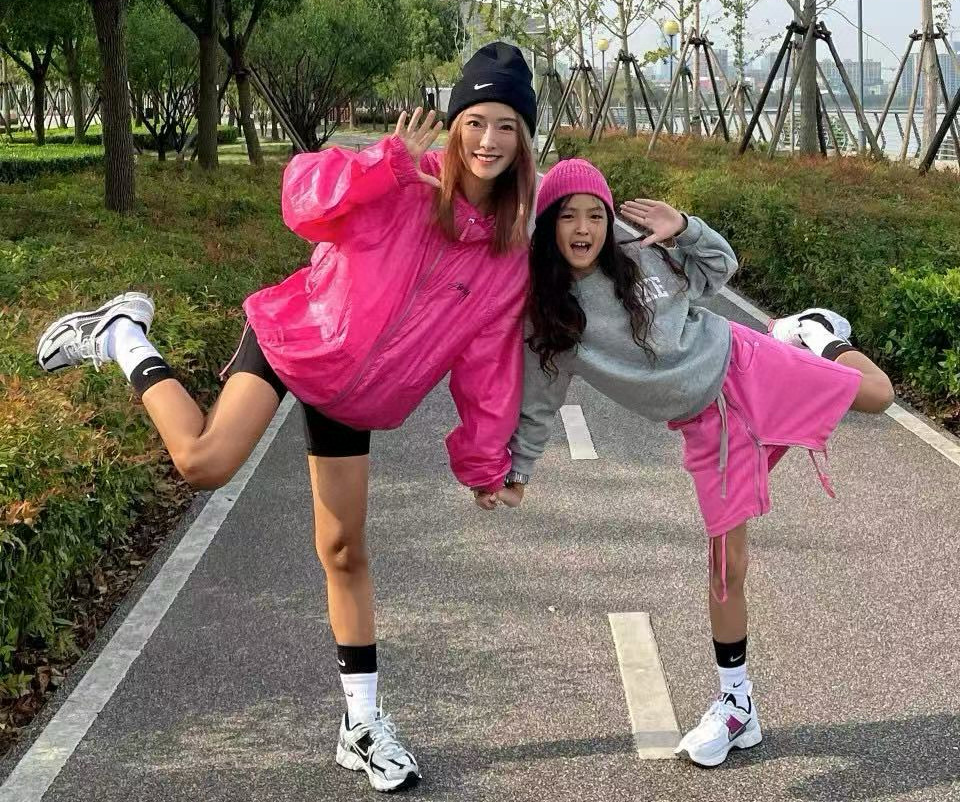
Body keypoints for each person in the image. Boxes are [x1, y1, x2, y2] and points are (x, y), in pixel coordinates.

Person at [35, 41, 537, 794]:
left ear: (524, 140)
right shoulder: (402, 180)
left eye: (506, 126)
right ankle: (122, 337)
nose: (488, 140)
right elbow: (303, 199)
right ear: (455, 123)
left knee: (344, 551)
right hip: (299, 337)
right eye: (475, 121)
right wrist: (382, 162)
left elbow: (489, 367)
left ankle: (361, 724)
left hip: (354, 396)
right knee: (204, 462)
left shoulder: (505, 255)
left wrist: (484, 462)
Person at [506, 157, 894, 769]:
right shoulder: (554, 313)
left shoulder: (642, 257)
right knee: (726, 564)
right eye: (568, 216)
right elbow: (540, 400)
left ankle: (817, 332)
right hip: (708, 428)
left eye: (595, 215)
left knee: (878, 396)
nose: (583, 228)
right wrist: (518, 470)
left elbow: (719, 269)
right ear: (549, 224)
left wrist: (685, 226)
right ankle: (738, 704)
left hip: (743, 362)